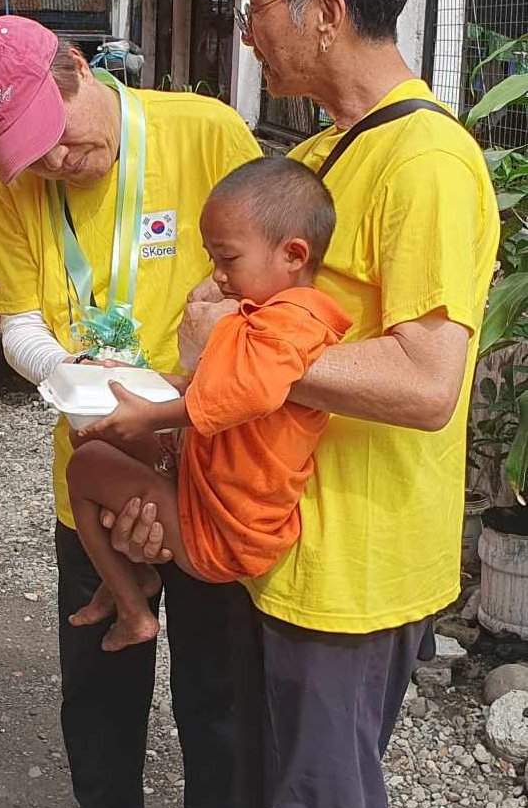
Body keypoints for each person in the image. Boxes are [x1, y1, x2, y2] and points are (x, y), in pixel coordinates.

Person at [101, 0, 497, 808]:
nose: (248, 27)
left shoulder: (429, 161)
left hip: (356, 566)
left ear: (326, 12)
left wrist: (243, 345)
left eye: (256, 5)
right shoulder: (324, 157)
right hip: (276, 551)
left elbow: (428, 380)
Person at [0, 15, 261, 808]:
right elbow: (25, 322)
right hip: (89, 465)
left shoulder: (207, 132)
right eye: (29, 157)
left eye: (62, 138)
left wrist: (167, 403)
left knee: (216, 689)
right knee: (98, 672)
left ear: (78, 69)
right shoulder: (18, 179)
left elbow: (264, 293)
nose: (55, 164)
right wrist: (78, 378)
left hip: (202, 464)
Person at [66, 157, 349, 652]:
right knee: (92, 433)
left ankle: (131, 607)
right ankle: (130, 578)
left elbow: (248, 394)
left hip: (225, 536)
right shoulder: (271, 316)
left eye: (228, 259)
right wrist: (139, 379)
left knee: (86, 464)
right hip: (209, 499)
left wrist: (153, 414)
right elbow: (211, 387)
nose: (216, 276)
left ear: (293, 254)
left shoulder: (287, 325)